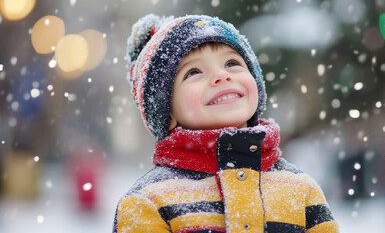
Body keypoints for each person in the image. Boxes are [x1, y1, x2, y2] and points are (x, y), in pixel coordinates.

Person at [113, 14, 339, 233]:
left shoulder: (300, 191)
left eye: (231, 63)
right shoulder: (148, 202)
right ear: (166, 111)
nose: (221, 75)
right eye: (193, 72)